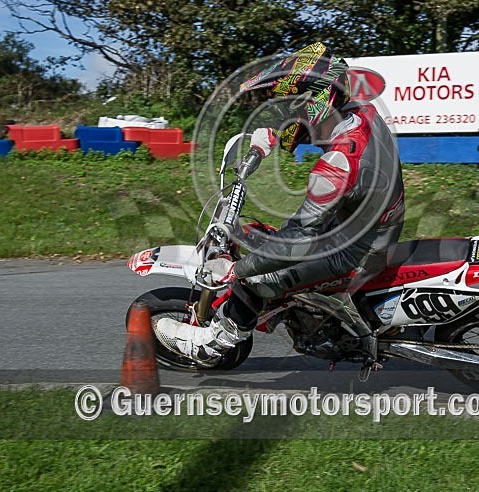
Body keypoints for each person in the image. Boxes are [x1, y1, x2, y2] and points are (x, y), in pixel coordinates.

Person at [155, 42, 405, 365]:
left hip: (357, 250)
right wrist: (271, 138)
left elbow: (298, 241)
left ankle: (213, 344)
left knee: (257, 275)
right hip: (370, 223)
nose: (287, 113)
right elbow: (326, 135)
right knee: (270, 239)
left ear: (316, 103)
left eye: (291, 105)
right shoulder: (361, 112)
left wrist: (235, 269)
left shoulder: (334, 168)